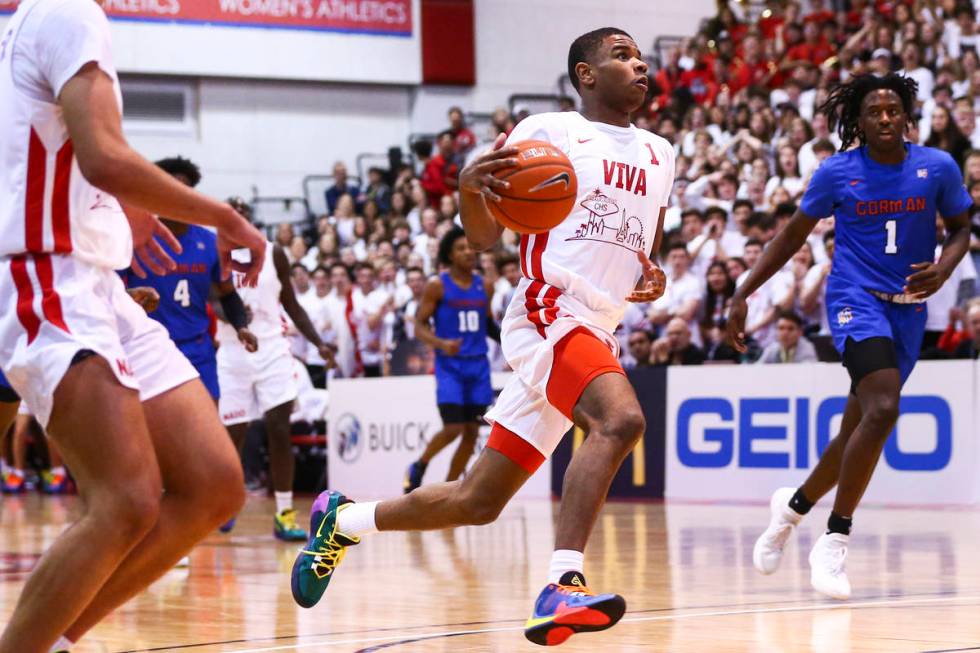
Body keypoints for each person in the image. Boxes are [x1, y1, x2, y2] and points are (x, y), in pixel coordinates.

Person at [290, 27, 675, 647]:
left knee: (477, 500)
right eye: (622, 55)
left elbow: (640, 244)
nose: (639, 64)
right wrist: (470, 188)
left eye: (640, 57)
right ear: (585, 75)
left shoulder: (662, 152)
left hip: (598, 324)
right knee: (620, 420)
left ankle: (344, 521)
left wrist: (646, 275)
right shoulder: (545, 133)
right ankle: (561, 585)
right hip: (549, 309)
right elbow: (484, 239)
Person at [0, 1, 267, 650]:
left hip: (95, 278)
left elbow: (81, 153)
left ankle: (54, 640)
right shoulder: (65, 11)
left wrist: (120, 200)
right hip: (50, 272)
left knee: (213, 483)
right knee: (125, 498)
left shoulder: (38, 22)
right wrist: (225, 219)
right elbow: (104, 160)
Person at [727, 74, 972, 601]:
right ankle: (834, 539)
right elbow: (791, 236)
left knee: (854, 434)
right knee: (883, 408)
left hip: (909, 311)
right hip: (854, 300)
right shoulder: (837, 172)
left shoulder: (938, 166)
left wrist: (947, 266)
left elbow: (961, 227)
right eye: (874, 111)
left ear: (907, 115)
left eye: (893, 109)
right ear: (856, 122)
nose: (885, 118)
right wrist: (743, 292)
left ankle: (790, 510)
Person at [218, 202, 337, 540]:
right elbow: (213, 300)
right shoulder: (214, 253)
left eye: (245, 214)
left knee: (279, 428)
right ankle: (226, 503)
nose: (240, 219)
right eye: (233, 214)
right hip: (232, 350)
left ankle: (284, 513)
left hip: (272, 348)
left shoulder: (275, 253)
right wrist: (236, 322)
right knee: (233, 434)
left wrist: (318, 342)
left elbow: (292, 304)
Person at [124, 157, 258, 405]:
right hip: (146, 349)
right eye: (168, 188)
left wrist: (241, 327)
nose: (176, 195)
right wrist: (132, 294)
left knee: (207, 429)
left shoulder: (209, 242)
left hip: (197, 349)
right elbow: (112, 293)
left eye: (183, 190)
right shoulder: (134, 238)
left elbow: (227, 293)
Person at [403, 227, 496, 493]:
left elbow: (488, 325)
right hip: (450, 367)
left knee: (471, 432)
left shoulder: (485, 285)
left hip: (479, 366)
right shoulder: (437, 285)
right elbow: (419, 326)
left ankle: (450, 490)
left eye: (470, 247)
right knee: (453, 427)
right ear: (449, 255)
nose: (468, 252)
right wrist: (442, 344)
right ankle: (420, 464)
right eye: (460, 248)